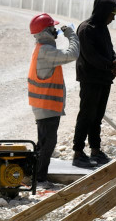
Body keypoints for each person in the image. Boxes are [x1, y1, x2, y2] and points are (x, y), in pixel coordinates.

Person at [28, 13, 79, 188]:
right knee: (48, 143)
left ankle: (35, 174)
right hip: (46, 105)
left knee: (44, 142)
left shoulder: (41, 48)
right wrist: (71, 34)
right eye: (53, 28)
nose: (56, 30)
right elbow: (72, 54)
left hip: (44, 105)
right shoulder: (45, 51)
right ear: (47, 31)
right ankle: (39, 178)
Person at [72, 0, 116, 168]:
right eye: (112, 14)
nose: (113, 18)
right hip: (90, 79)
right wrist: (110, 66)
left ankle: (95, 149)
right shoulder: (87, 29)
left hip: (104, 79)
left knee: (97, 116)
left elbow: (110, 50)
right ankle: (78, 152)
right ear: (103, 12)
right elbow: (91, 56)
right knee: (86, 115)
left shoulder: (102, 28)